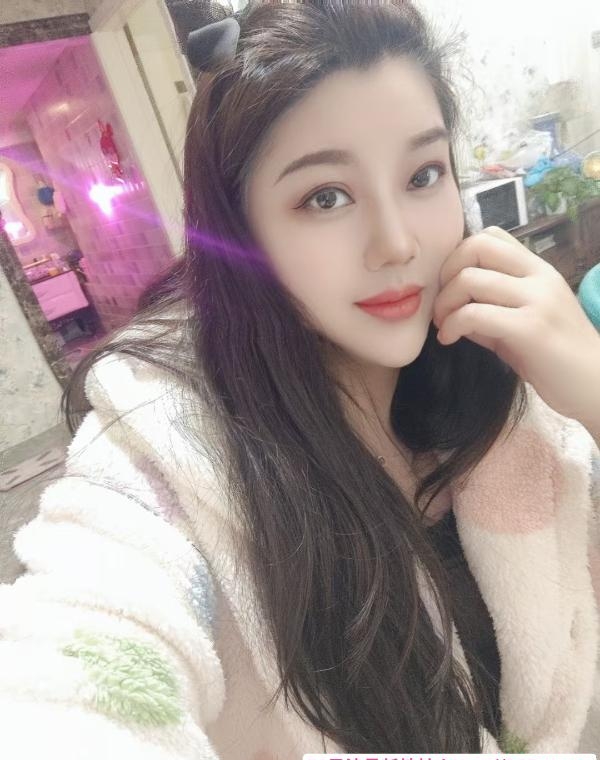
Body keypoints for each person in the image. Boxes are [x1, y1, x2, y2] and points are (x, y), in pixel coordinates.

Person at [1, 1, 599, 757]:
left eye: (423, 175)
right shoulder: (166, 451)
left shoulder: (493, 368)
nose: (396, 243)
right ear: (243, 231)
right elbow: (74, 673)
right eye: (325, 197)